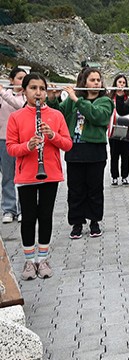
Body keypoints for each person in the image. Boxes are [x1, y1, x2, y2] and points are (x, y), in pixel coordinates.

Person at [6, 72, 72, 279]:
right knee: (28, 219)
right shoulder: (16, 117)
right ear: (24, 91)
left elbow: (68, 144)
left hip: (49, 173)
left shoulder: (56, 115)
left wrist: (52, 135)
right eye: (33, 88)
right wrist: (28, 145)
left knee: (45, 217)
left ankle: (42, 259)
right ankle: (28, 261)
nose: (38, 92)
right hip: (26, 175)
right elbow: (11, 148)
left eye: (42, 89)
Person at [47, 67, 114, 239]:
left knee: (94, 188)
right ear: (84, 82)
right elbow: (58, 115)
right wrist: (52, 98)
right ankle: (76, 223)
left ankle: (94, 221)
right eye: (92, 80)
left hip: (95, 151)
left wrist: (76, 99)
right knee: (75, 189)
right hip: (74, 149)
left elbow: (97, 116)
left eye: (98, 80)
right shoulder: (72, 100)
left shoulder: (105, 101)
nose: (96, 83)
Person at [0, 67, 26, 224]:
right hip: (3, 139)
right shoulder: (3, 96)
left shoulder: (24, 97)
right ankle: (9, 209)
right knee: (8, 176)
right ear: (11, 80)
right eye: (20, 78)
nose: (22, 82)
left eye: (25, 78)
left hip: (22, 140)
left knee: (23, 177)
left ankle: (24, 208)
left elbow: (19, 106)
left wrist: (3, 92)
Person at [107, 74, 129, 186]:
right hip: (113, 130)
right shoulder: (110, 98)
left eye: (123, 82)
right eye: (119, 82)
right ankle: (114, 177)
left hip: (126, 131)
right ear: (115, 83)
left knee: (126, 155)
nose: (122, 84)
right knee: (114, 155)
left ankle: (125, 176)